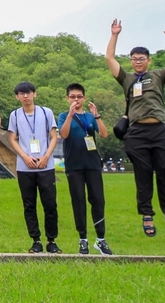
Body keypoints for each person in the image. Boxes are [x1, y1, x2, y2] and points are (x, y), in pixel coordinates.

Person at [106, 20, 165, 237]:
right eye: (134, 59)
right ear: (130, 61)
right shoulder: (127, 79)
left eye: (141, 59)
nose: (138, 62)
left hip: (159, 130)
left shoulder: (158, 75)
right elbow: (109, 59)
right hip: (137, 133)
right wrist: (115, 35)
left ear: (148, 61)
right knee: (143, 175)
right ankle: (147, 214)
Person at [58, 84, 112, 255]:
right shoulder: (63, 116)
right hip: (74, 165)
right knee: (78, 200)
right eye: (72, 96)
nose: (76, 99)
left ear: (84, 98)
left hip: (93, 164)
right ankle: (83, 239)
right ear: (67, 98)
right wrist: (70, 116)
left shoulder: (90, 117)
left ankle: (101, 239)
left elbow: (104, 134)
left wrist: (97, 116)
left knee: (97, 199)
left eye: (79, 96)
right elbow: (64, 134)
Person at [7, 81, 60, 254]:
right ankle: (35, 240)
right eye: (22, 94)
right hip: (25, 167)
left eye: (28, 93)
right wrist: (25, 156)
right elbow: (12, 138)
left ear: (35, 94)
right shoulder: (15, 115)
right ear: (17, 96)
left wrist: (46, 156)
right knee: (29, 204)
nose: (26, 96)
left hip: (45, 165)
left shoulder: (46, 112)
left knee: (50, 204)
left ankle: (51, 240)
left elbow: (53, 137)